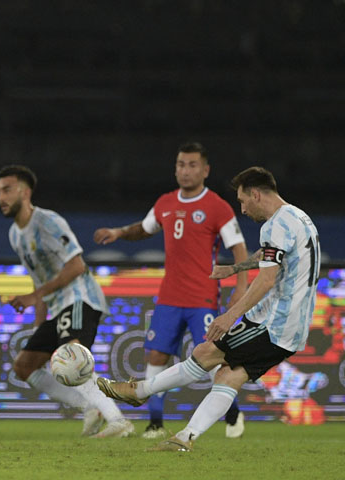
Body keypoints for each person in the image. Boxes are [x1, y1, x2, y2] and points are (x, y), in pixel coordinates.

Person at [97, 166, 320, 451]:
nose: (242, 208)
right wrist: (235, 268)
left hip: (273, 323)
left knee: (205, 352)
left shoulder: (274, 224)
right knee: (230, 375)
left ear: (256, 194)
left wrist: (229, 316)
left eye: (242, 201)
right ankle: (184, 439)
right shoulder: (299, 217)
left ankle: (138, 391)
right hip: (293, 329)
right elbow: (271, 256)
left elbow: (267, 279)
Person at [93, 142, 249, 439]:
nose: (185, 170)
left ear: (205, 170)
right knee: (156, 357)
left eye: (192, 165)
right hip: (168, 298)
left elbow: (239, 249)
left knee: (210, 359)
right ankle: (155, 423)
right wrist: (119, 232)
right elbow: (145, 228)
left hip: (202, 297)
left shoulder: (217, 206)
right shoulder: (165, 202)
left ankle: (233, 415)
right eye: (180, 164)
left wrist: (240, 288)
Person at [0, 165, 135, 438]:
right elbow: (38, 280)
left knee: (73, 357)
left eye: (7, 190)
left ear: (25, 192)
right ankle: (90, 406)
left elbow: (76, 266)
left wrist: (34, 297)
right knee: (24, 366)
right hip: (57, 306)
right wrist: (40, 321)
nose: (1, 197)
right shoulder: (15, 234)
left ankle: (117, 421)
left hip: (80, 298)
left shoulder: (48, 222)